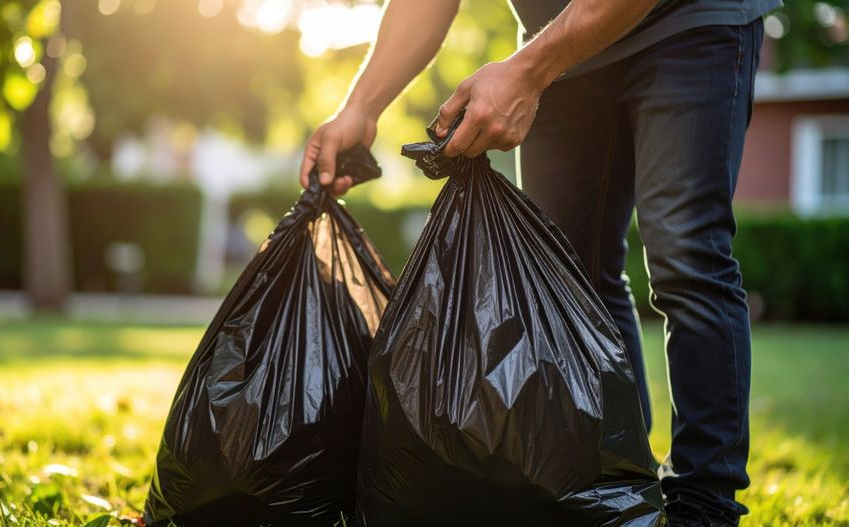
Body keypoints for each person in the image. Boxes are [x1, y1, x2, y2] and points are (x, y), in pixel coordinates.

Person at [299, 0, 779, 524]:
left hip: (688, 22)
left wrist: (528, 70)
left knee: (686, 258)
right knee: (567, 277)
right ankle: (614, 485)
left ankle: (702, 505)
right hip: (563, 41)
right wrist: (362, 107)